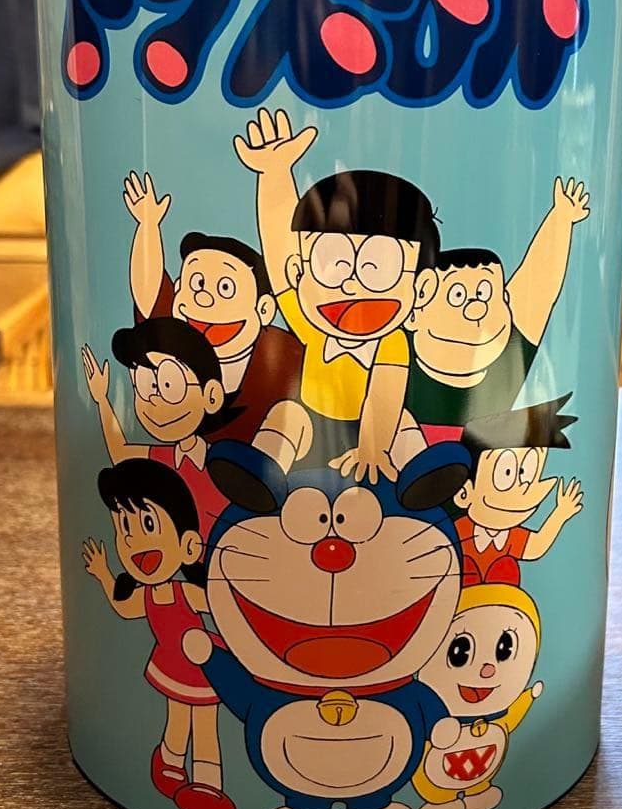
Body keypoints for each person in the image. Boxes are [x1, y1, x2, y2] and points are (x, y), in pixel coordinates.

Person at [211, 107, 435, 507]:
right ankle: (261, 473)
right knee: (287, 417)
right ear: (302, 271)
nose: (352, 281)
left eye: (378, 266)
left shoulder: (391, 343)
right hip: (313, 422)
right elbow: (279, 257)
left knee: (401, 423)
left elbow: (384, 392)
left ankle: (423, 477)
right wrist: (275, 173)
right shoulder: (313, 323)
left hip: (373, 428)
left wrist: (372, 447)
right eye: (333, 262)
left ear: (419, 287)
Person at [83, 458, 236, 809]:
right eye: (125, 527)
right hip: (172, 667)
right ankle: (168, 761)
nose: (135, 540)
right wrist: (104, 575)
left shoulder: (188, 593)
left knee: (205, 725)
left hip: (203, 667)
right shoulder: (151, 595)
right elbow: (124, 609)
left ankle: (208, 786)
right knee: (178, 720)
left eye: (149, 524)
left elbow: (222, 604)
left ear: (188, 545)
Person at [406, 177, 590, 439]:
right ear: (416, 310)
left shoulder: (508, 355)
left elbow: (539, 287)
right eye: (457, 295)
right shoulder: (394, 351)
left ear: (506, 300)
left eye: (484, 294)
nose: (475, 310)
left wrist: (560, 219)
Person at [123, 173, 303, 442]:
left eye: (226, 288)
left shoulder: (282, 351)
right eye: (197, 284)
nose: (205, 300)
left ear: (264, 309)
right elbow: (149, 290)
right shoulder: (174, 338)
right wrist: (147, 225)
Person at [81, 318, 228, 539]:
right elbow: (121, 453)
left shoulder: (224, 462)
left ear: (211, 396)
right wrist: (102, 399)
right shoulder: (163, 458)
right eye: (145, 386)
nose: (153, 400)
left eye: (169, 385)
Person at [413, 583, 543, 809]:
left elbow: (513, 716)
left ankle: (477, 791)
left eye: (505, 650)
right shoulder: (427, 711)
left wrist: (528, 696)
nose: (487, 670)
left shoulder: (498, 715)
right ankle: (440, 801)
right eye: (460, 653)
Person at [453, 396, 583, 586]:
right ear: (464, 493)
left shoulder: (512, 537)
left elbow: (535, 546)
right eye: (506, 473)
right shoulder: (459, 530)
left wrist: (560, 514)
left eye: (527, 473)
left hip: (511, 601)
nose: (523, 488)